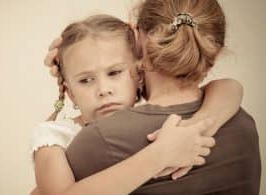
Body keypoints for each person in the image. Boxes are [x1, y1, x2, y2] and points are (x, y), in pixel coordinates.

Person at [58, 0, 260, 194]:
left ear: (139, 41)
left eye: (114, 72)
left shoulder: (98, 140)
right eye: (86, 80)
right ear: (215, 53)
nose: (104, 89)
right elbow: (230, 86)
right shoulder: (243, 125)